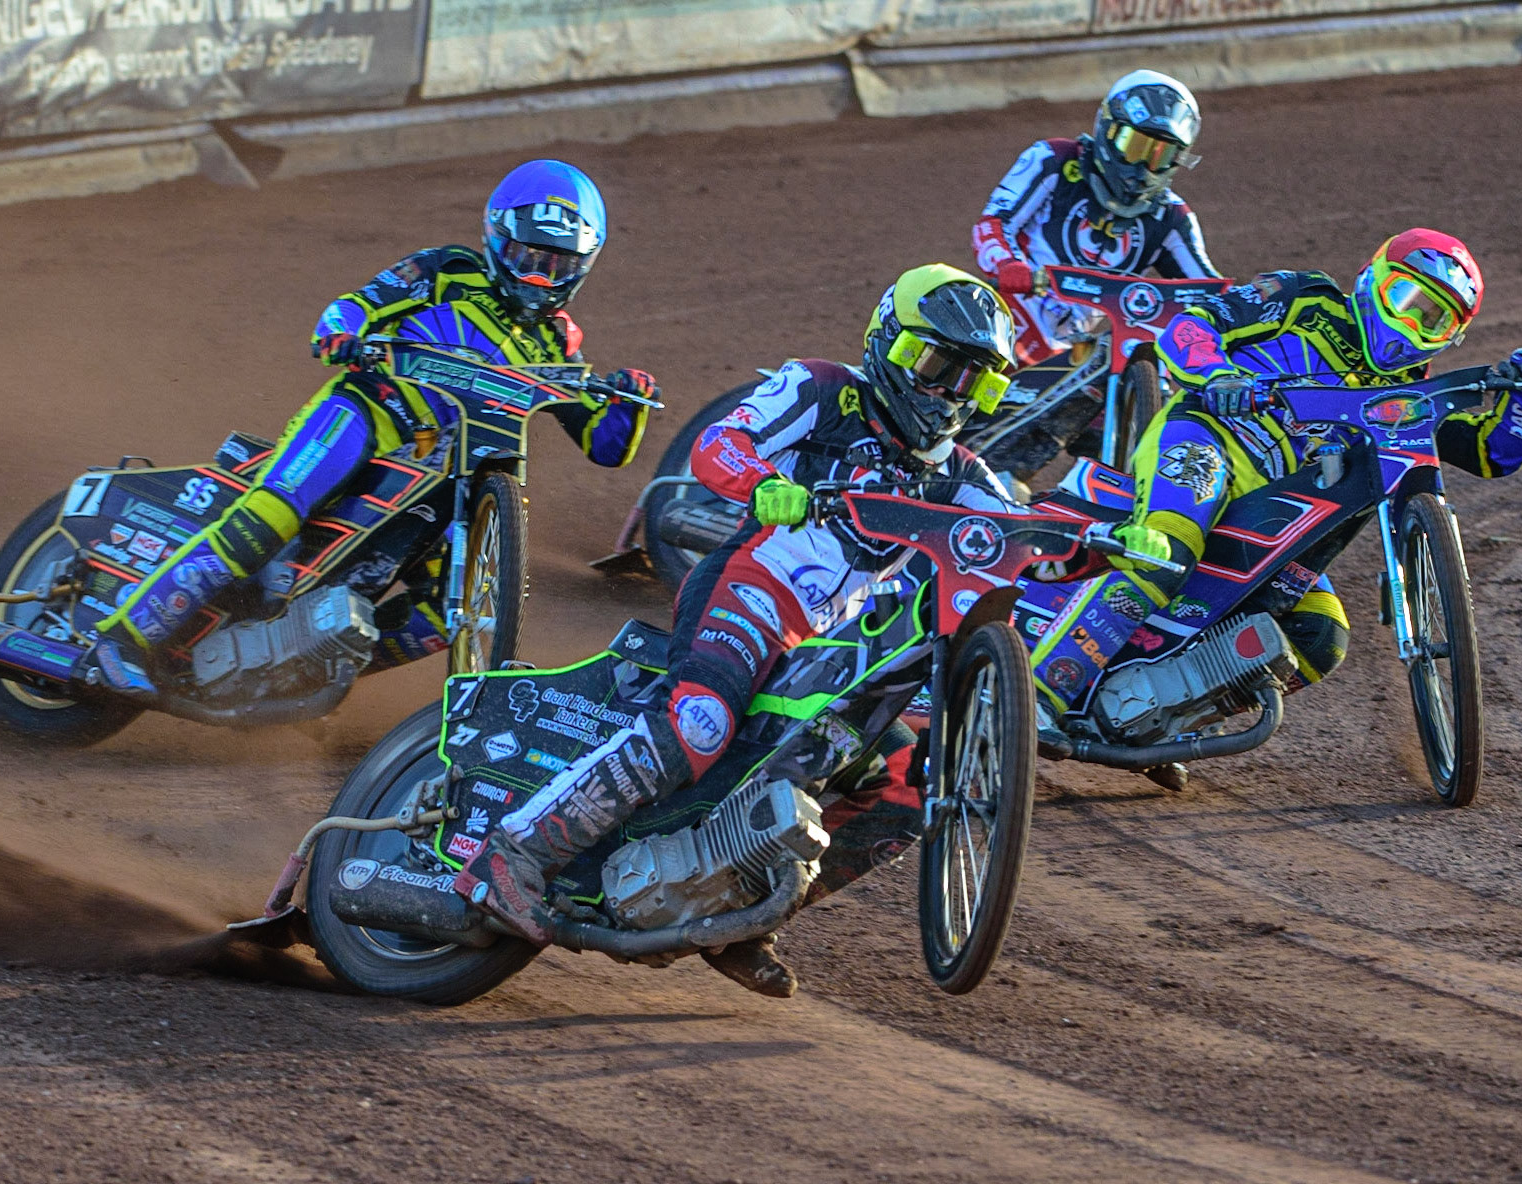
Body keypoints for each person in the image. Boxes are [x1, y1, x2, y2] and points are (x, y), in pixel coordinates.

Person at [453, 264, 1021, 990]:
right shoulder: (823, 389)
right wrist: (764, 483)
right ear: (889, 340)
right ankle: (514, 854)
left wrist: (1111, 541)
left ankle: (744, 913)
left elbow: (1020, 541)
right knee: (700, 721)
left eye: (975, 382)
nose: (947, 394)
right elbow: (719, 442)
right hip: (751, 588)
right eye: (937, 366)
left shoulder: (962, 475)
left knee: (909, 783)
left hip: (830, 646)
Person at [79, 160, 655, 695]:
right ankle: (121, 640)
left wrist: (631, 399)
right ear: (496, 238)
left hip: (444, 473)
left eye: (557, 266)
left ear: (583, 266)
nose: (538, 277)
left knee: (444, 611)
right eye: (527, 257)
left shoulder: (557, 346)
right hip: (368, 414)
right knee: (271, 516)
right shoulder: (446, 271)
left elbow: (604, 445)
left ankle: (307, 671)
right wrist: (342, 333)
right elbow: (356, 305)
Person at [1023, 228, 1522, 782]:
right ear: (1373, 280)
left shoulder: (1409, 396)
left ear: (1453, 337)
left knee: (1321, 636)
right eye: (1407, 299)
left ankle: (1157, 719)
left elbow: (1492, 453)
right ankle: (1040, 692)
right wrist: (1218, 374)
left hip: (1278, 515)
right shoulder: (1304, 298)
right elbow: (1188, 328)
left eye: (1435, 319)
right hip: (1209, 442)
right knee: (1164, 549)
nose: (1413, 324)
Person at [972, 69, 1221, 496]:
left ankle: (1118, 491)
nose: (1143, 167)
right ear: (1107, 130)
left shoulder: (1170, 216)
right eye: (1136, 146)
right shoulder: (1054, 161)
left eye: (1161, 155)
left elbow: (1208, 287)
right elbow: (994, 224)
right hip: (1001, 332)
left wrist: (1245, 308)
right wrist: (1010, 266)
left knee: (1140, 362)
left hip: (1077, 356)